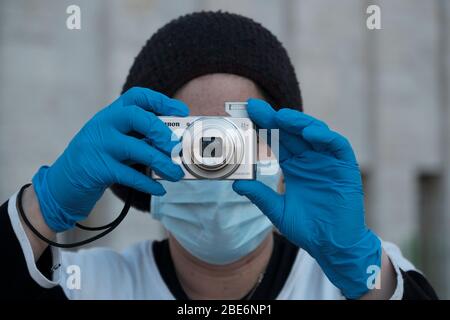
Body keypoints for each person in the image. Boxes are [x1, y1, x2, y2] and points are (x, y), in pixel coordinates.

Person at [1, 11, 437, 300]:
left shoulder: (355, 284)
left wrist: (364, 273)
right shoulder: (87, 287)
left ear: (284, 155)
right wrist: (41, 207)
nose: (214, 164)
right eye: (192, 137)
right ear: (145, 156)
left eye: (237, 136)